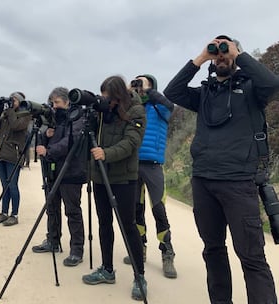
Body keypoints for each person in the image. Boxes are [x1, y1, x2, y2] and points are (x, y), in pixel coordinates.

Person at [163, 35, 279, 304]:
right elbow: (173, 92)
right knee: (213, 250)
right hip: (203, 182)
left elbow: (273, 84)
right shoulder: (204, 93)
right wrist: (202, 56)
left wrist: (237, 54)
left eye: (226, 51)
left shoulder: (253, 90)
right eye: (218, 52)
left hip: (239, 183)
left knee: (251, 257)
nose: (222, 56)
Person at [82, 75, 147, 301]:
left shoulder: (136, 111)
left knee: (128, 226)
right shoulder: (102, 112)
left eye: (107, 97)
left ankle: (140, 276)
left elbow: (131, 143)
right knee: (104, 223)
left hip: (125, 179)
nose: (104, 100)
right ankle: (107, 269)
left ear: (118, 95)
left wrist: (106, 154)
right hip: (100, 176)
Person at [122, 74, 177, 279]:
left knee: (158, 210)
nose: (138, 86)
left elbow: (169, 105)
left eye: (141, 82)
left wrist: (148, 90)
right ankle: (140, 248)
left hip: (153, 165)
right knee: (136, 209)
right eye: (135, 82)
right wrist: (128, 93)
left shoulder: (159, 107)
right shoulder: (133, 109)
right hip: (133, 164)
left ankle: (167, 253)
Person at [31, 87, 86, 267]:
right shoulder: (54, 118)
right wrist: (45, 136)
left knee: (72, 211)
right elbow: (46, 140)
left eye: (57, 103)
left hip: (71, 171)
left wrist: (49, 150)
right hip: (52, 170)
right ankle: (53, 241)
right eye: (52, 103)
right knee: (52, 207)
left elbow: (71, 141)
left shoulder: (77, 116)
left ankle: (77, 250)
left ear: (67, 102)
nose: (54, 107)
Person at [0, 92, 32, 226]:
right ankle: (4, 212)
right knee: (4, 186)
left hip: (14, 155)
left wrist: (9, 110)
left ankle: (14, 214)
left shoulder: (25, 115)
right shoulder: (6, 113)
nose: (11, 102)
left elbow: (15, 126)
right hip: (1, 153)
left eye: (13, 100)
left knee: (12, 185)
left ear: (20, 102)